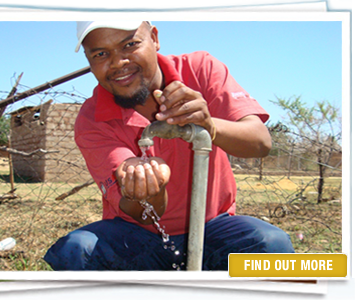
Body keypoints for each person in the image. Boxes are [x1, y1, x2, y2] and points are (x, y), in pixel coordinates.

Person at [44, 21, 294, 271]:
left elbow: (260, 143)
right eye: (100, 54)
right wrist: (148, 189)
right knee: (77, 250)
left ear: (154, 38)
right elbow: (142, 213)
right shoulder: (92, 118)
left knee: (269, 244)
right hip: (135, 235)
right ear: (88, 59)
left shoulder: (200, 70)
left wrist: (209, 125)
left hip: (213, 227)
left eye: (130, 44)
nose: (118, 62)